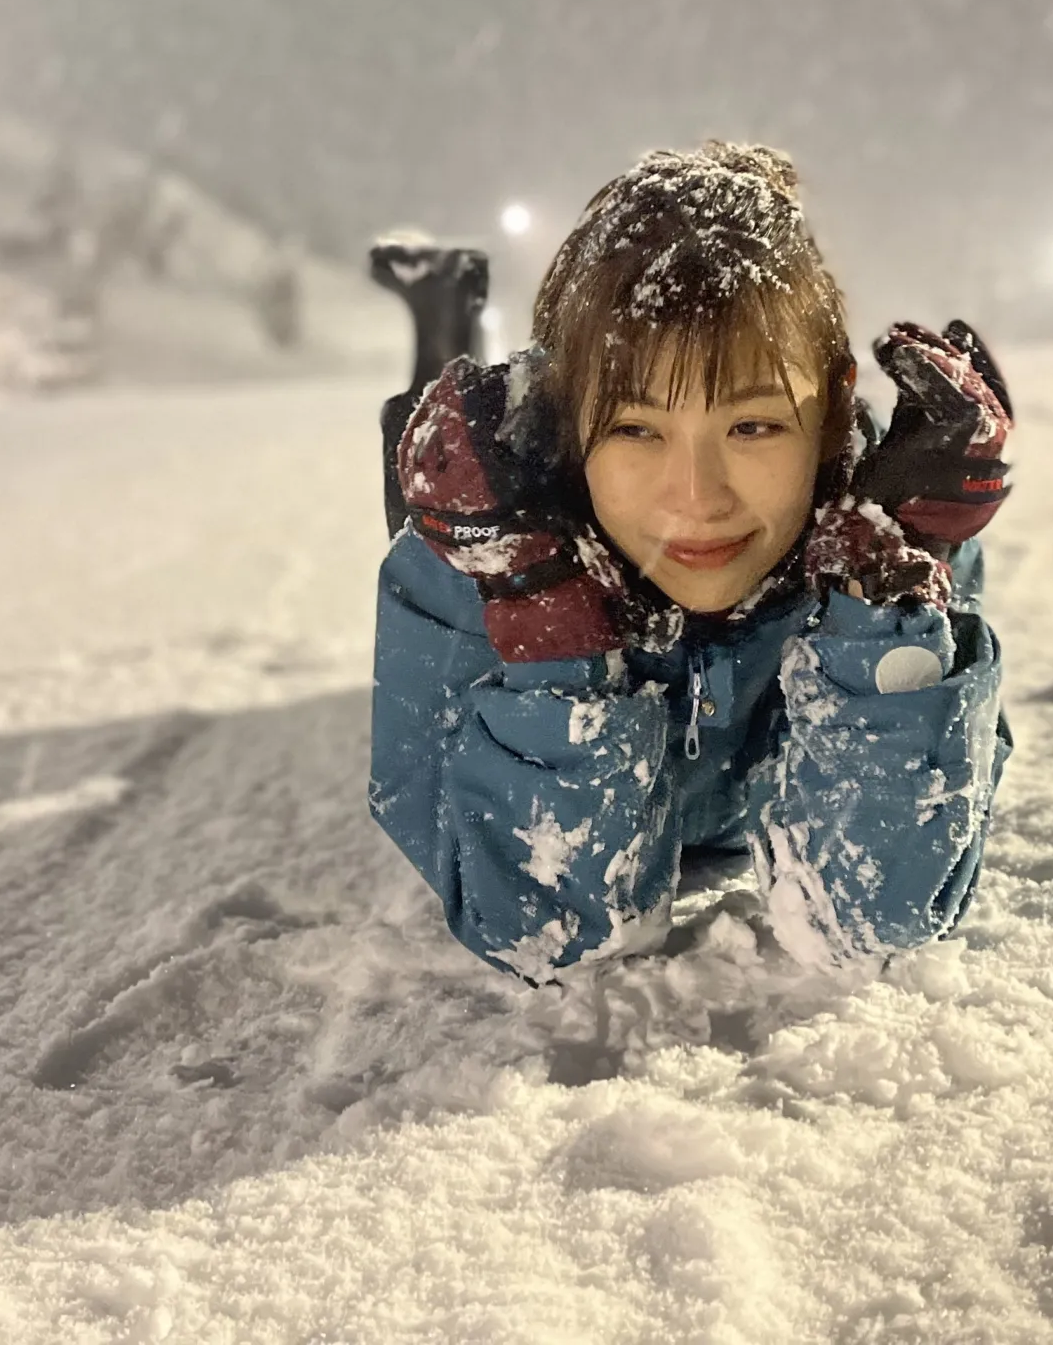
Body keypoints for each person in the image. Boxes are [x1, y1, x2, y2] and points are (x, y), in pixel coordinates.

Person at [370, 142, 1014, 983]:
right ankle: (444, 317)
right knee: (418, 442)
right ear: (572, 422)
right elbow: (542, 928)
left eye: (754, 426)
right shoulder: (478, 547)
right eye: (636, 429)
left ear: (827, 412)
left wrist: (884, 609)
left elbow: (870, 918)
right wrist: (545, 625)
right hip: (528, 515)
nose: (698, 498)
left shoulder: (900, 541)